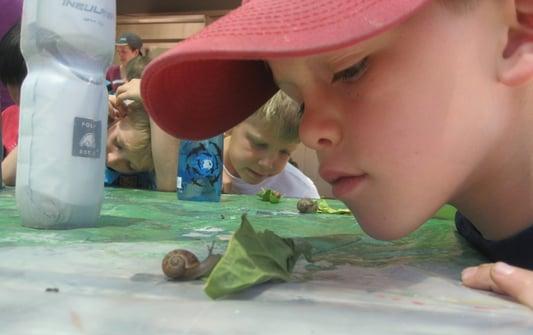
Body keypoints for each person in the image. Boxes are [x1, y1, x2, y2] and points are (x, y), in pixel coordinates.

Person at [140, 0, 533, 309]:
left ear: (517, 31)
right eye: (297, 98)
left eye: (351, 69)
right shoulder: (478, 220)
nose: (309, 132)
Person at [223, 90, 319, 198]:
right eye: (259, 144)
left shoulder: (301, 193)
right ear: (230, 123)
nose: (267, 164)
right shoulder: (201, 165)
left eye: (284, 152)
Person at [0, 0, 24, 187]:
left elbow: (5, 175)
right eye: (10, 83)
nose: (16, 94)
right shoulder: (8, 116)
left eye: (22, 82)